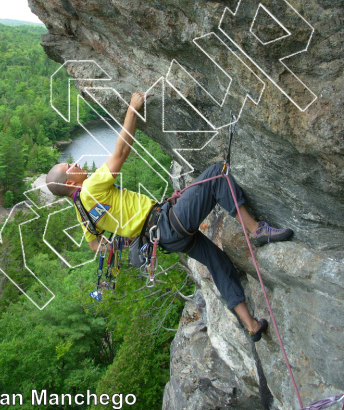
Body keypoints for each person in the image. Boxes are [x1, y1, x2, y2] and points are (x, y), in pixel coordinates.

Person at [46, 92, 293, 342]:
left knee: (218, 263)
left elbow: (96, 246)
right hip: (167, 224)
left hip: (166, 241)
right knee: (217, 175)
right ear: (69, 182)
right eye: (70, 167)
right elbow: (120, 153)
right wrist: (132, 109)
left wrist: (124, 235)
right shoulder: (89, 188)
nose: (75, 164)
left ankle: (251, 324)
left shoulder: (82, 213)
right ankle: (256, 231)